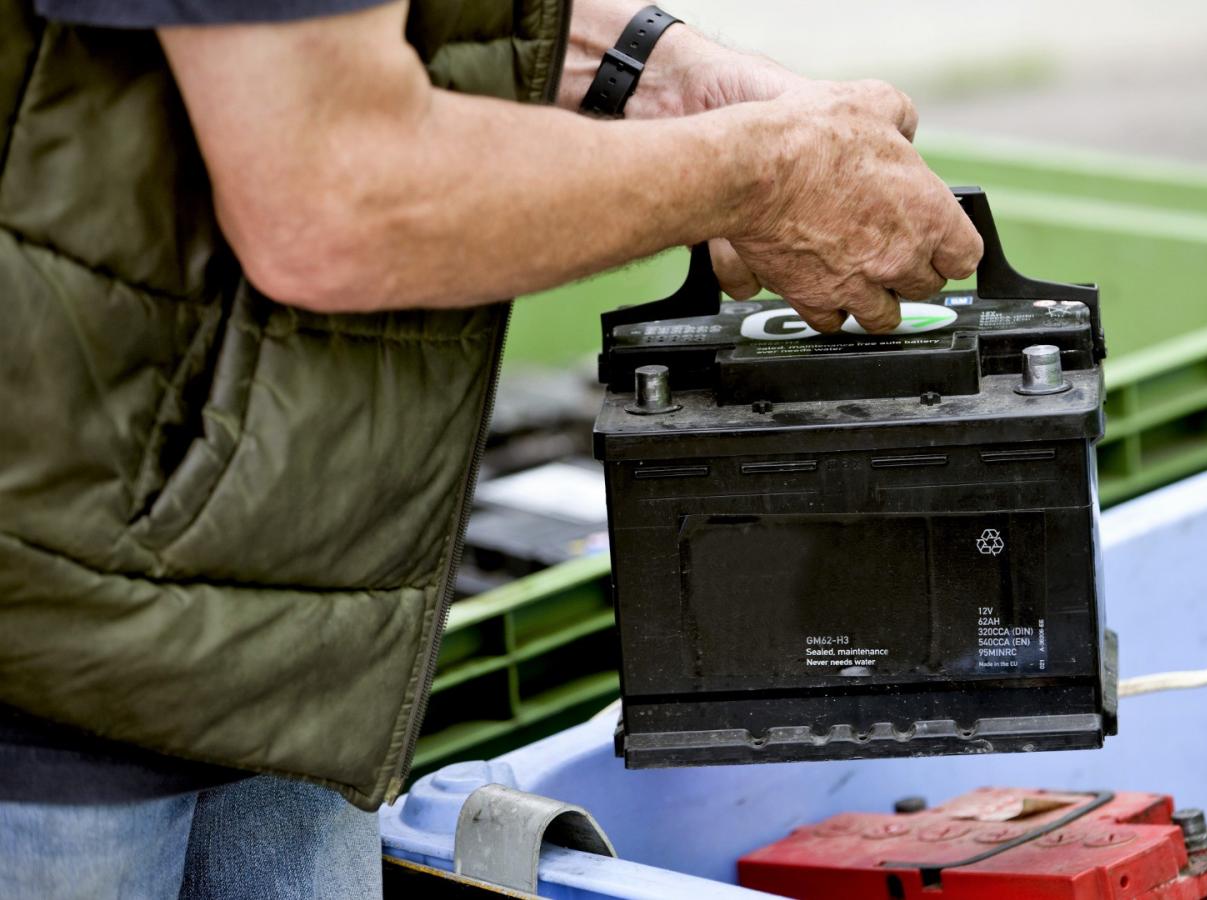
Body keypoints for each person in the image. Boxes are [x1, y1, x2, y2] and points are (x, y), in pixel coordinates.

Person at [0, 0, 982, 895]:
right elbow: (336, 194)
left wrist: (640, 69)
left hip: (291, 617)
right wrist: (762, 173)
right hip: (57, 664)